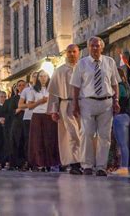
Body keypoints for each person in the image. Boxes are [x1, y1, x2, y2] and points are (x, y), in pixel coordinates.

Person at [71, 36, 121, 176]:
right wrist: (75, 104)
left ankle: (101, 167)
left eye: (97, 46)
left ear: (102, 47)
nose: (94, 48)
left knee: (105, 136)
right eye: (92, 46)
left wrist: (116, 100)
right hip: (87, 102)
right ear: (88, 48)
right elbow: (75, 85)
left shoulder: (109, 62)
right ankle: (87, 165)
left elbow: (115, 83)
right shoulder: (82, 64)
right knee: (87, 133)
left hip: (106, 102)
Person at [47, 44, 82, 175]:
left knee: (85, 133)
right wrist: (54, 110)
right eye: (69, 52)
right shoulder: (59, 71)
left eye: (74, 51)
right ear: (66, 54)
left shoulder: (84, 68)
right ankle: (75, 163)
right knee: (73, 134)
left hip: (84, 104)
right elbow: (54, 92)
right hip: (66, 105)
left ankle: (85, 162)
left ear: (78, 52)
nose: (72, 54)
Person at [27, 70, 60, 171]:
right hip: (37, 115)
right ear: (38, 78)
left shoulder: (53, 89)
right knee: (38, 140)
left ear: (48, 77)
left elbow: (56, 102)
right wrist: (40, 101)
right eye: (41, 76)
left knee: (50, 140)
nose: (43, 78)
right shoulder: (33, 90)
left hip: (49, 115)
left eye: (45, 76)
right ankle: (39, 163)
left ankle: (51, 163)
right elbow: (29, 106)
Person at [111, 68, 130, 176]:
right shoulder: (125, 85)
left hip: (120, 116)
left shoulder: (119, 87)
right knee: (122, 143)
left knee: (122, 143)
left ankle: (124, 167)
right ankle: (122, 166)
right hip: (125, 116)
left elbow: (121, 100)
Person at [8, 80, 27, 170]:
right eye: (20, 85)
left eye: (23, 85)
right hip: (17, 123)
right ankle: (17, 163)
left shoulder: (30, 97)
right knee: (17, 142)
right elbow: (11, 112)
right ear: (17, 88)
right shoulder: (14, 98)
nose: (22, 87)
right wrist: (21, 108)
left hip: (27, 122)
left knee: (26, 143)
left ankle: (26, 163)